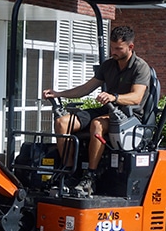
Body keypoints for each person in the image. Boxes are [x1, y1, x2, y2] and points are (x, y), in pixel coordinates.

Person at [41, 25, 151, 196]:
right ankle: (70, 173)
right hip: (107, 110)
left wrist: (114, 97)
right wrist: (58, 93)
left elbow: (136, 97)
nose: (113, 51)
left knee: (97, 124)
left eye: (118, 48)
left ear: (130, 47)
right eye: (111, 47)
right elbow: (85, 89)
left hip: (129, 118)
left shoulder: (140, 67)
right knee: (62, 123)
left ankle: (90, 176)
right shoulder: (108, 65)